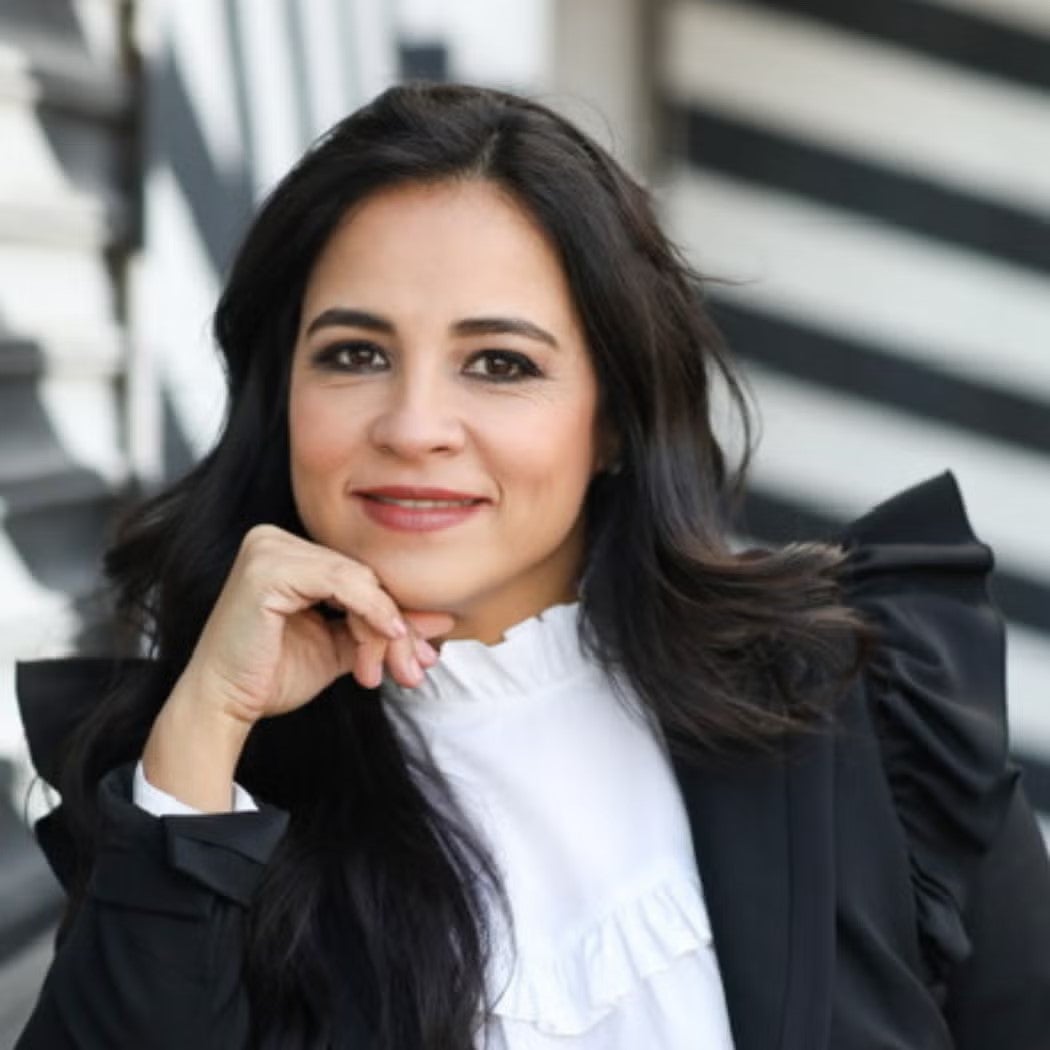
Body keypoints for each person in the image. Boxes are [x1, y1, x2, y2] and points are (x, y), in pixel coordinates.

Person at [12, 82, 1050, 1050]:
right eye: (355, 354)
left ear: (614, 420)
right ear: (280, 397)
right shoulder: (193, 791)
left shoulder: (865, 701)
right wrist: (205, 731)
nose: (414, 426)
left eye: (500, 364)